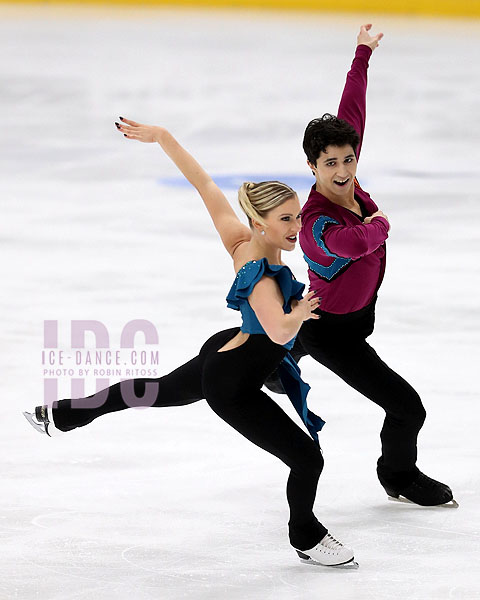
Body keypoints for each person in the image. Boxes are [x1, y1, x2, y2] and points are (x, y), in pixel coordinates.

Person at [24, 119, 358, 567]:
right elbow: (279, 332)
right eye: (286, 220)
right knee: (306, 459)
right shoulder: (259, 275)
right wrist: (298, 313)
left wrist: (164, 137)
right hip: (233, 385)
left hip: (228, 353)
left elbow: (205, 186)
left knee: (155, 390)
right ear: (260, 223)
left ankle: (64, 414)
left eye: (296, 215)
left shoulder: (241, 241)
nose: (297, 226)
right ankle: (306, 537)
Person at [264, 24, 456, 508]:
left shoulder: (346, 173)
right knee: (407, 408)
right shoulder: (314, 222)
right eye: (331, 164)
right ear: (312, 166)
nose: (344, 170)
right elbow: (352, 245)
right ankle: (398, 474)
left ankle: (281, 359)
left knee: (301, 331)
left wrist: (362, 53)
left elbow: (353, 108)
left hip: (348, 314)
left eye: (349, 159)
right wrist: (381, 223)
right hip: (335, 331)